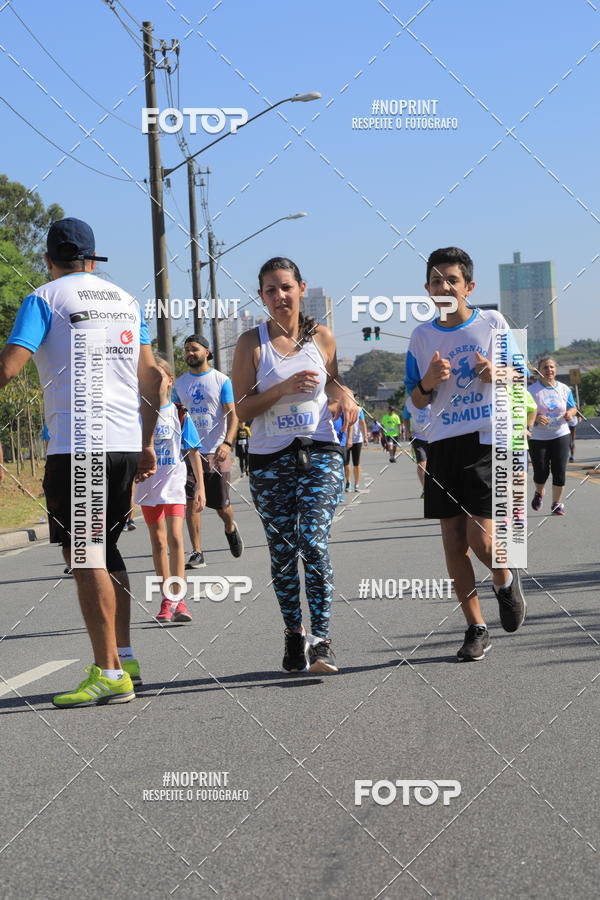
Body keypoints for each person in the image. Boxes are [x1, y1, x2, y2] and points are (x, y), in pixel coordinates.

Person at [0, 217, 163, 706]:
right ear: (93, 261)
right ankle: (124, 655)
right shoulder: (128, 303)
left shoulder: (44, 299)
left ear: (48, 260)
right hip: (121, 443)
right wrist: (147, 442)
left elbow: (9, 367)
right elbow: (153, 378)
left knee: (86, 557)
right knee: (107, 552)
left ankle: (109, 673)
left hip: (78, 448)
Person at [232, 256, 357, 674]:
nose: (279, 296)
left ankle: (321, 641)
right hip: (270, 459)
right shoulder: (252, 343)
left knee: (313, 541)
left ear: (301, 288)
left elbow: (334, 381)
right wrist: (283, 388)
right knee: (283, 552)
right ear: (262, 296)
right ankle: (293, 633)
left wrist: (346, 395)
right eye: (270, 289)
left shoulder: (323, 337)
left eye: (286, 287)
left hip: (319, 450)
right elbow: (242, 408)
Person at [405, 246, 526, 663]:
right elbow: (416, 401)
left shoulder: (492, 323)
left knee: (482, 539)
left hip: (485, 439)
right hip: (441, 444)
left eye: (452, 280)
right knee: (454, 543)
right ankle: (476, 627)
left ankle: (505, 578)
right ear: (427, 289)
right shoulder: (421, 337)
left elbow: (521, 374)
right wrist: (428, 381)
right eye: (436, 281)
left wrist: (498, 373)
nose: (444, 287)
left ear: (468, 287)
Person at [135, 355, 205, 623]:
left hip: (174, 482)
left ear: (169, 381)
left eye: (158, 377)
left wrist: (200, 487)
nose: (153, 382)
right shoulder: (138, 413)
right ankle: (166, 600)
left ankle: (180, 599)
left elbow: (193, 450)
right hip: (148, 485)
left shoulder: (178, 412)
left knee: (176, 539)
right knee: (159, 542)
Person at [173, 334, 243, 568]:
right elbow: (174, 415)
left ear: (207, 352)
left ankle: (230, 527)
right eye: (186, 350)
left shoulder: (221, 380)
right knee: (191, 501)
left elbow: (234, 416)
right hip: (189, 452)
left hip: (216, 450)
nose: (189, 353)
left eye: (194, 349)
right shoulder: (179, 384)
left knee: (222, 505)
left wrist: (227, 443)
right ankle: (197, 552)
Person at [528, 356, 577, 515]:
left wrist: (570, 413)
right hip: (538, 437)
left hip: (561, 434)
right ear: (539, 371)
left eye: (551, 367)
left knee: (559, 470)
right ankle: (539, 492)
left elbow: (573, 408)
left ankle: (556, 503)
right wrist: (535, 419)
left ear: (555, 369)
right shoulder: (531, 391)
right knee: (541, 472)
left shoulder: (564, 389)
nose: (549, 370)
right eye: (545, 367)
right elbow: (524, 412)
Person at [402, 397, 431, 497]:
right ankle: (426, 489)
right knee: (421, 465)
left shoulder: (435, 396)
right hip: (418, 437)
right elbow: (405, 416)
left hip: (434, 436)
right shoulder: (410, 401)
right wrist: (407, 430)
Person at [344, 403, 368, 491]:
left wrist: (365, 436)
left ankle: (357, 484)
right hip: (345, 440)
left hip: (357, 440)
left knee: (356, 463)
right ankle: (348, 482)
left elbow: (362, 423)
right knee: (345, 463)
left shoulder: (359, 409)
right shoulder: (343, 407)